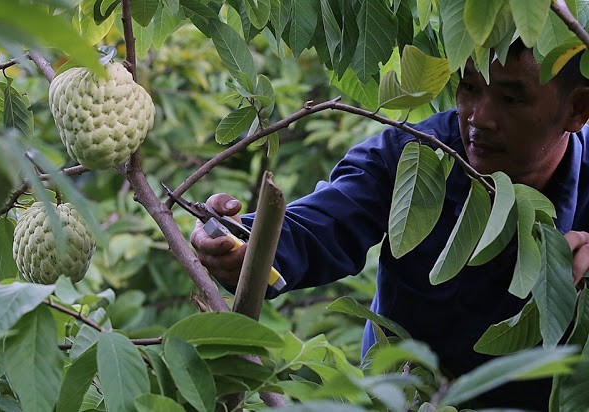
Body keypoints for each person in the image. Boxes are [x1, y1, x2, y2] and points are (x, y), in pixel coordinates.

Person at [190, 40, 589, 409]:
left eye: (510, 98)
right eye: (469, 88)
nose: (479, 118)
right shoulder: (412, 155)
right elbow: (323, 221)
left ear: (576, 109)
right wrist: (243, 241)